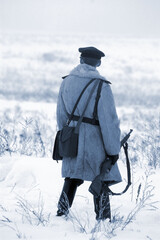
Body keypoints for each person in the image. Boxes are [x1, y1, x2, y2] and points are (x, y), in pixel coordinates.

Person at [56, 46, 122, 221]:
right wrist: (113, 151)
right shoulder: (102, 86)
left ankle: (61, 213)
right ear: (98, 63)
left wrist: (66, 136)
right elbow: (109, 123)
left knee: (71, 176)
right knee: (101, 177)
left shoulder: (66, 81)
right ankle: (104, 220)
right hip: (95, 140)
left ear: (81, 60)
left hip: (72, 137)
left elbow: (61, 115)